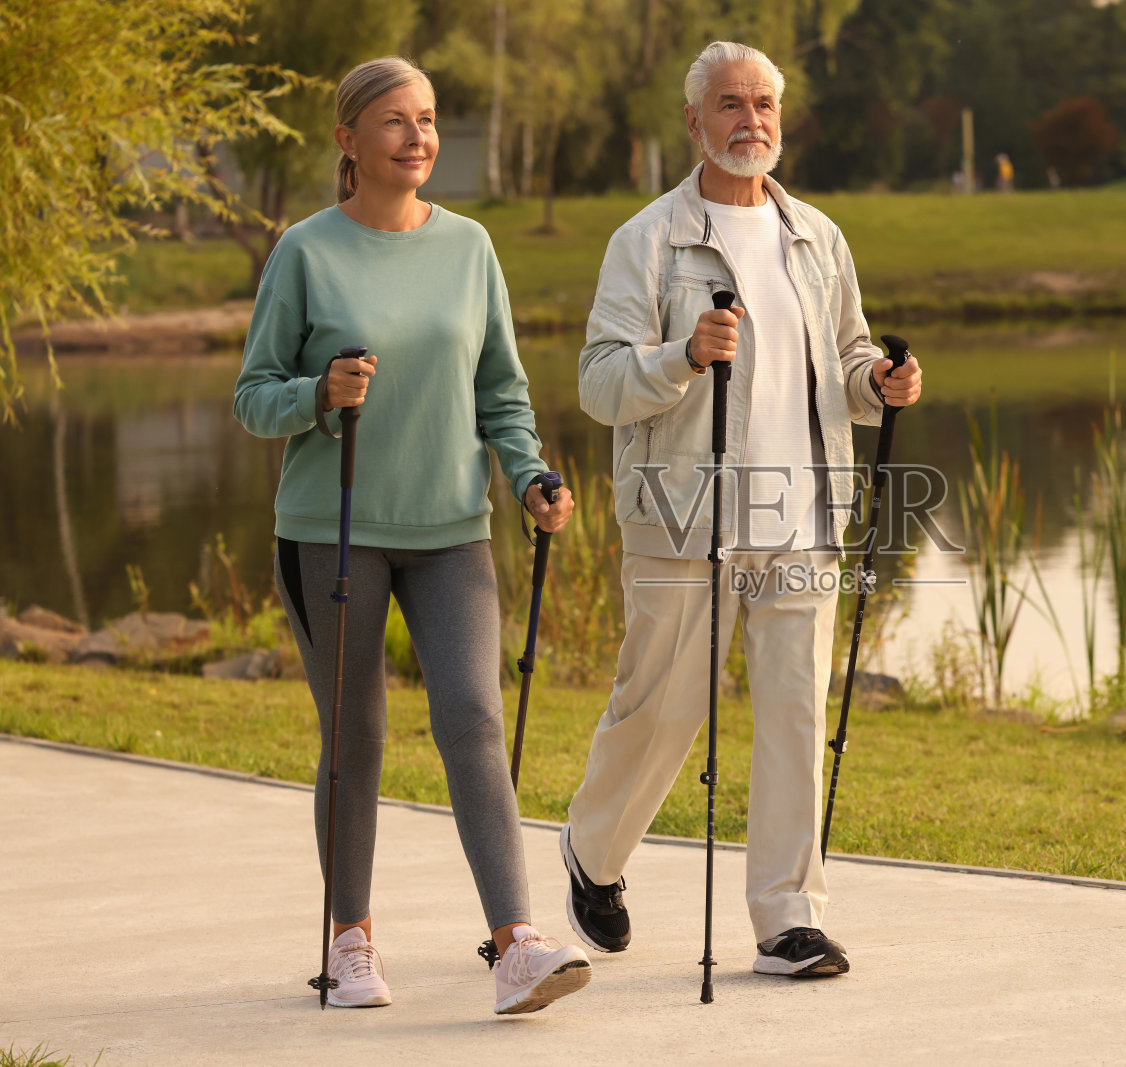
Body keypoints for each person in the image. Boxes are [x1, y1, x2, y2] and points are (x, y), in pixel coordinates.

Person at [233, 56, 590, 1016]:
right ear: (349, 141)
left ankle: (516, 942)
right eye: (396, 122)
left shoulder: (471, 248)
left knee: (472, 715)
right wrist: (317, 395)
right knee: (355, 737)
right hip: (332, 528)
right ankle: (349, 940)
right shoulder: (305, 252)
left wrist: (530, 476)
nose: (419, 137)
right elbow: (252, 397)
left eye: (428, 120)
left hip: (451, 530)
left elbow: (502, 394)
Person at [561, 41, 923, 977]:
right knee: (664, 710)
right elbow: (600, 383)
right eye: (730, 104)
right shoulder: (646, 240)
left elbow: (845, 363)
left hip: (803, 517)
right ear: (695, 122)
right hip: (684, 519)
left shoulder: (818, 239)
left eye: (763, 103)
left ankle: (788, 916)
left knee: (796, 717)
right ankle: (593, 856)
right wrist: (681, 356)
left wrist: (879, 381)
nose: (749, 120)